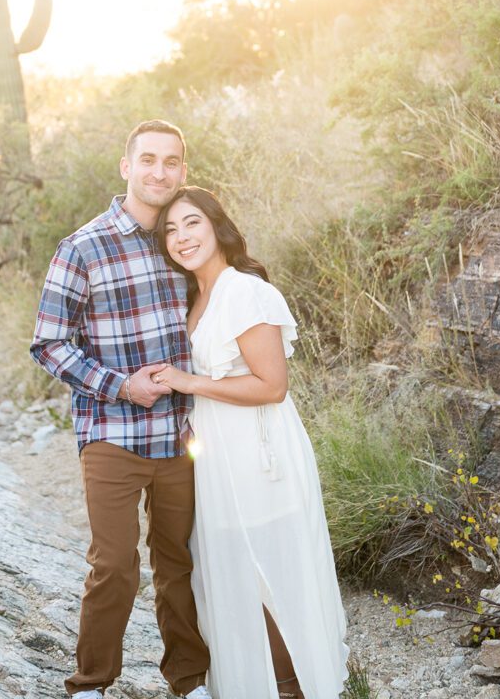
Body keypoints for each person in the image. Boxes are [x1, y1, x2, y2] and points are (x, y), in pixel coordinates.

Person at [30, 121, 211, 699]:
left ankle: (190, 681)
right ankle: (90, 685)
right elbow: (49, 344)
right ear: (126, 167)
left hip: (181, 434)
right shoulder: (83, 247)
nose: (161, 171)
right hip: (111, 432)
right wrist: (119, 386)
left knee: (178, 565)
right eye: (149, 160)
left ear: (184, 171)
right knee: (114, 565)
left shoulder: (185, 240)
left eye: (173, 162)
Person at [154, 186, 349, 699]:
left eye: (191, 222)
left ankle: (295, 688)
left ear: (217, 226)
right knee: (237, 579)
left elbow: (272, 385)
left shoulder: (246, 291)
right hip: (218, 463)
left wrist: (189, 382)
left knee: (274, 573)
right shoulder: (195, 299)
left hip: (264, 459)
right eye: (170, 230)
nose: (181, 237)